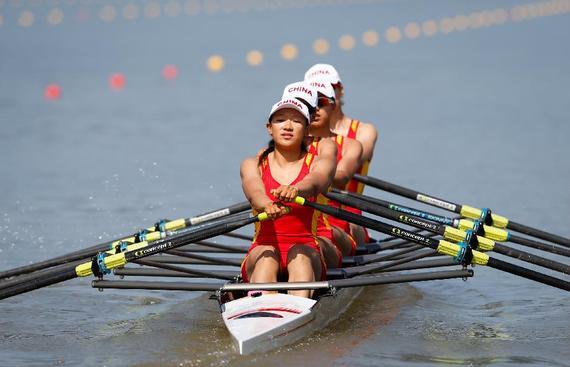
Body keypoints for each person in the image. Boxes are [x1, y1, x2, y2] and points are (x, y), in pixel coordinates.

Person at [240, 97, 336, 298]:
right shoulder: (252, 164)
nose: (288, 126)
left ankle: (296, 314)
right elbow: (254, 191)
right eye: (280, 120)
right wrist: (266, 204)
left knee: (299, 254)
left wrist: (297, 190)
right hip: (262, 249)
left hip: (308, 249)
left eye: (297, 121)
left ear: (307, 130)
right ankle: (261, 313)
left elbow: (317, 180)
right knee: (267, 256)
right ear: (269, 128)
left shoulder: (319, 162)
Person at [305, 64, 378, 245]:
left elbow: (344, 173)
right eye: (314, 92)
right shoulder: (295, 136)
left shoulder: (363, 132)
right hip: (307, 212)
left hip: (348, 214)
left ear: (340, 91)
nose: (320, 96)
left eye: (328, 89)